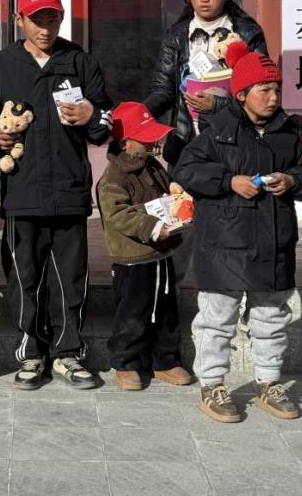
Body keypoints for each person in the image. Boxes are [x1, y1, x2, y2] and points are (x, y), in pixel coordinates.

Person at [0, 0, 113, 391]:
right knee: (24, 277)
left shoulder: (79, 61)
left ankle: (68, 353)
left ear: (61, 18)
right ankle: (31, 353)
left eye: (52, 18)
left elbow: (105, 124)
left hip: (69, 188)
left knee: (70, 277)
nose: (45, 27)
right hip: (22, 190)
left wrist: (91, 115)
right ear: (19, 19)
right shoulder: (0, 66)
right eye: (36, 19)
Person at [173, 49, 302, 423]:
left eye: (277, 89)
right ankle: (213, 386)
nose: (273, 97)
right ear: (241, 94)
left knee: (271, 317)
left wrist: (292, 180)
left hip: (273, 243)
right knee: (216, 320)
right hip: (223, 244)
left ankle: (269, 383)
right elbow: (186, 170)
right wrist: (229, 181)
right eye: (264, 90)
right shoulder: (216, 131)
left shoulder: (288, 133)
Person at [145, 0, 267, 285]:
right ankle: (174, 294)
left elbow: (261, 90)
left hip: (233, 147)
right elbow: (162, 88)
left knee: (234, 223)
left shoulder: (247, 33)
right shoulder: (177, 35)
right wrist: (140, 116)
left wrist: (219, 103)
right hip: (187, 144)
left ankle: (232, 292)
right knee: (180, 219)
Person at [96, 102, 192, 391]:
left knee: (166, 312)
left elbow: (164, 188)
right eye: (145, 138)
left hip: (160, 254)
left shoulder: (151, 164)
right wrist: (152, 227)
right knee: (133, 314)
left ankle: (165, 361)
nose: (153, 143)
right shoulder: (113, 177)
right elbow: (118, 214)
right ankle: (126, 363)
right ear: (125, 142)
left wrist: (174, 191)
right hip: (132, 260)